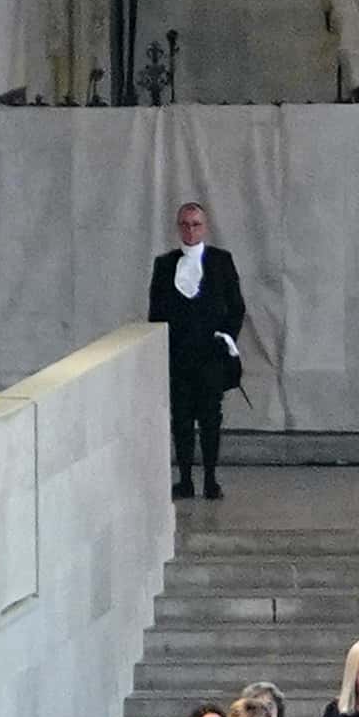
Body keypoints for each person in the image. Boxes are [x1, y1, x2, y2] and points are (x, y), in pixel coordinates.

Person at [146, 197, 245, 498]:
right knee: (182, 419)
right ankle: (186, 478)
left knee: (211, 417)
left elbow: (236, 307)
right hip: (179, 358)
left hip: (210, 357)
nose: (191, 230)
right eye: (186, 225)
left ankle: (211, 478)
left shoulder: (221, 261)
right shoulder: (164, 265)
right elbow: (156, 313)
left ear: (205, 228)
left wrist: (225, 338)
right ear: (179, 228)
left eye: (196, 225)